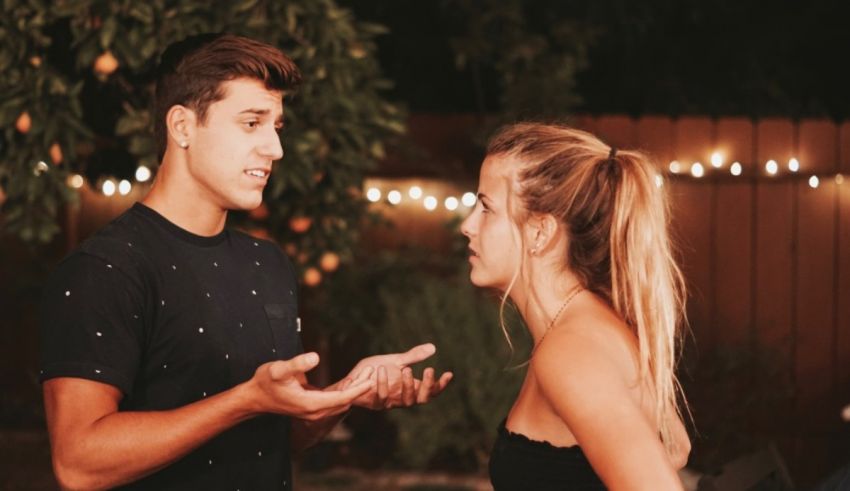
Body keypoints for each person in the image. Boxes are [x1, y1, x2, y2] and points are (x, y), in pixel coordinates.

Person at [39, 33, 452, 490]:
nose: (275, 148)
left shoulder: (267, 263)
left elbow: (277, 438)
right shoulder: (106, 269)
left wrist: (344, 394)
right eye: (252, 123)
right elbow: (78, 463)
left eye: (276, 126)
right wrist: (245, 401)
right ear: (182, 126)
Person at [460, 122, 691, 489]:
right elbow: (675, 446)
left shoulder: (570, 350)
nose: (467, 225)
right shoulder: (585, 326)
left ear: (539, 232)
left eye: (486, 208)